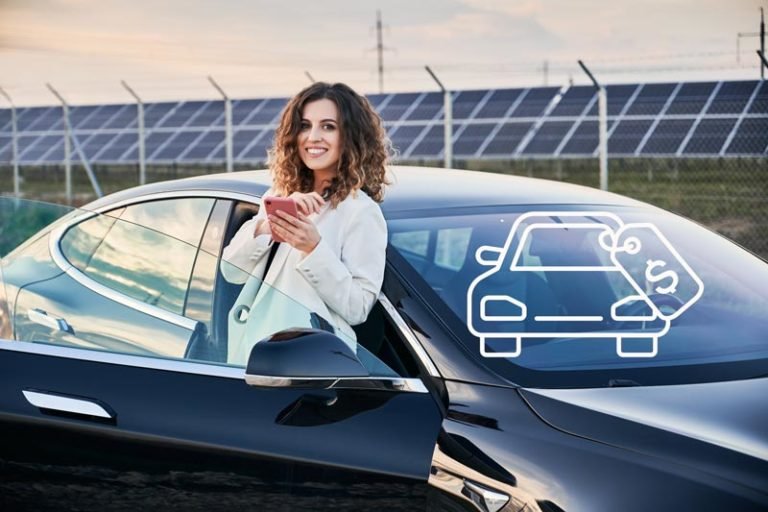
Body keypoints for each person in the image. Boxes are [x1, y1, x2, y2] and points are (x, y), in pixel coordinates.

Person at [221, 82, 391, 365]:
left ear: (351, 136)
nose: (313, 137)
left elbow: (358, 307)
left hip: (307, 365)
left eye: (328, 127)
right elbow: (231, 271)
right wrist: (268, 227)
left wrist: (313, 248)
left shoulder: (360, 212)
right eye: (304, 125)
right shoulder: (278, 195)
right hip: (252, 354)